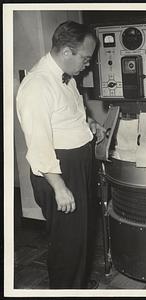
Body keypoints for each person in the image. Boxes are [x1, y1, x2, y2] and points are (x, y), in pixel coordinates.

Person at [16, 20, 105, 289]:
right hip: (58, 170)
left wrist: (89, 125)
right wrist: (59, 186)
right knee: (67, 241)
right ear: (66, 52)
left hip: (76, 164)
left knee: (79, 235)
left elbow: (67, 118)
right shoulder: (37, 85)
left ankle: (76, 284)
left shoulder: (67, 78)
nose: (88, 64)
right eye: (85, 58)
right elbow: (39, 143)